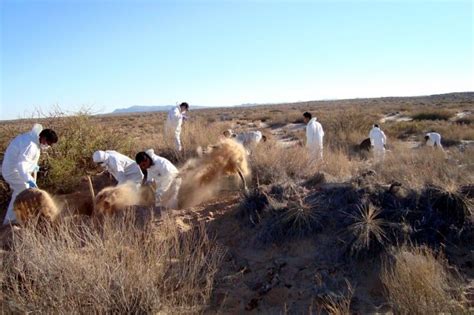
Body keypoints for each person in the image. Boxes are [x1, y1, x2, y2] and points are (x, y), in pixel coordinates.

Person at [2, 124, 58, 225]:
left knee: (24, 190)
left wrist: (33, 180)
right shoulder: (31, 145)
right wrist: (30, 181)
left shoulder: (34, 141)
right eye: (48, 143)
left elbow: (32, 165)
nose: (48, 146)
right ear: (44, 138)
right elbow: (21, 165)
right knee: (23, 190)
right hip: (12, 171)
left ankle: (15, 218)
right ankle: (10, 221)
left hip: (17, 170)